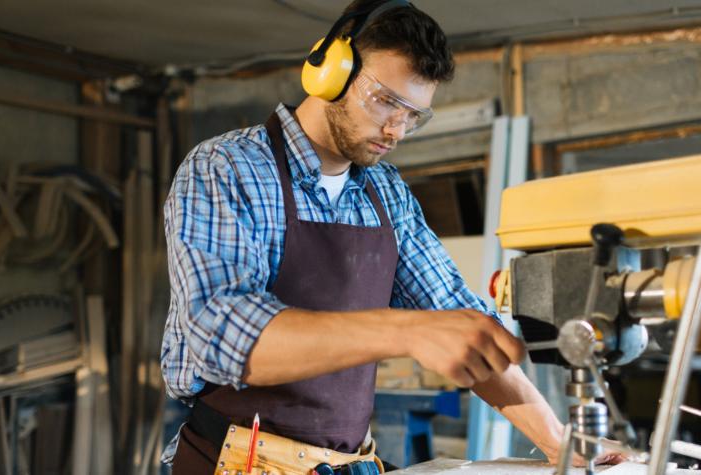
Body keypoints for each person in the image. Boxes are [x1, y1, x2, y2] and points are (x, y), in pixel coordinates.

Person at [161, 1, 624, 473]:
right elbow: (220, 334)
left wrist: (560, 442)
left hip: (348, 462)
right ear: (330, 73)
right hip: (236, 462)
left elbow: (456, 317)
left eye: (413, 116)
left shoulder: (386, 192)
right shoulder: (227, 168)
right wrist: (403, 330)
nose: (395, 130)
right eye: (385, 101)